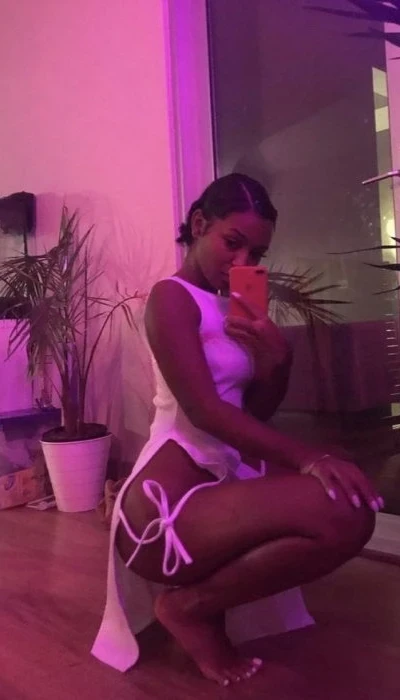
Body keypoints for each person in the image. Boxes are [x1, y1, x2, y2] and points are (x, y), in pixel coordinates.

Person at [92, 173, 381, 687]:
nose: (243, 262)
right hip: (164, 511)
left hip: (216, 489)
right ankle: (187, 608)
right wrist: (308, 457)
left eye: (257, 253)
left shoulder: (233, 307)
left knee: (350, 499)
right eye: (233, 242)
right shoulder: (171, 297)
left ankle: (193, 603)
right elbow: (204, 412)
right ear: (199, 224)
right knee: (339, 501)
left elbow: (252, 415)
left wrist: (278, 362)